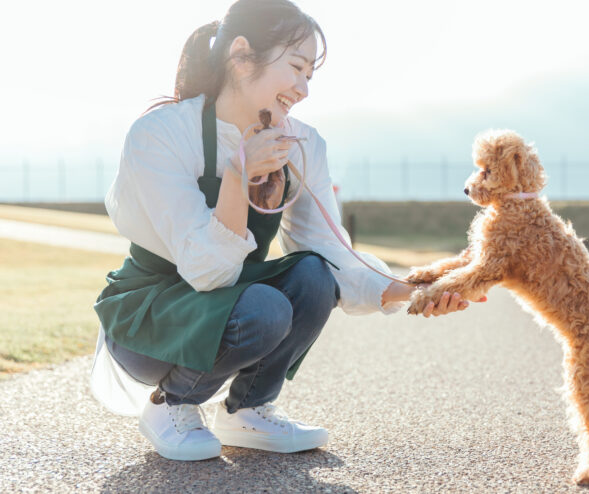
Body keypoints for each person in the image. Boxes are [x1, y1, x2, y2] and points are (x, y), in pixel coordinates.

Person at [91, 0, 478, 462]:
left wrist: (412, 291)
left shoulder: (303, 145)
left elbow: (333, 254)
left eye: (310, 75)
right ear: (240, 54)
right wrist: (238, 175)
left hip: (232, 301)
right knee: (265, 308)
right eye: (296, 67)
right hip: (151, 316)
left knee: (313, 275)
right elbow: (205, 272)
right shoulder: (161, 134)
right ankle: (172, 403)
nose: (304, 88)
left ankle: (247, 409)